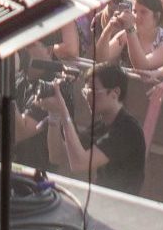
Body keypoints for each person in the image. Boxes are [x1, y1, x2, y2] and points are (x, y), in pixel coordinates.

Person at [28, 61, 146, 193]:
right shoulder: (102, 125)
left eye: (93, 90)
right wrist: (54, 116)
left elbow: (79, 163)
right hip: (105, 201)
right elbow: (57, 156)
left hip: (121, 207)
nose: (88, 96)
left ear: (115, 93)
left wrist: (63, 110)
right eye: (86, 91)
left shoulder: (127, 130)